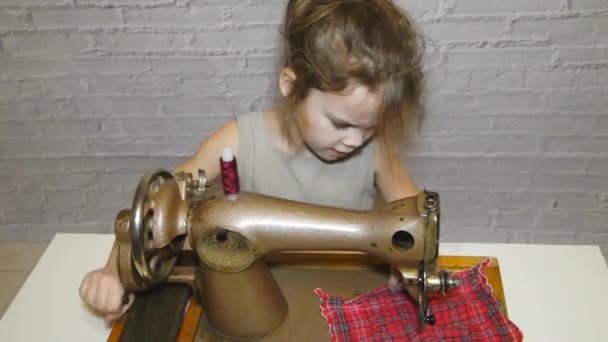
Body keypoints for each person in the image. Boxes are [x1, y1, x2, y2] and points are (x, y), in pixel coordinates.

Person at [79, 0, 425, 323]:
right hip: (257, 293)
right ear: (291, 86)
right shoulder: (238, 140)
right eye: (341, 124)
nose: (355, 140)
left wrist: (411, 264)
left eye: (371, 126)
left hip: (345, 287)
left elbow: (415, 221)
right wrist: (113, 273)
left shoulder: (374, 149)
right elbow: (156, 212)